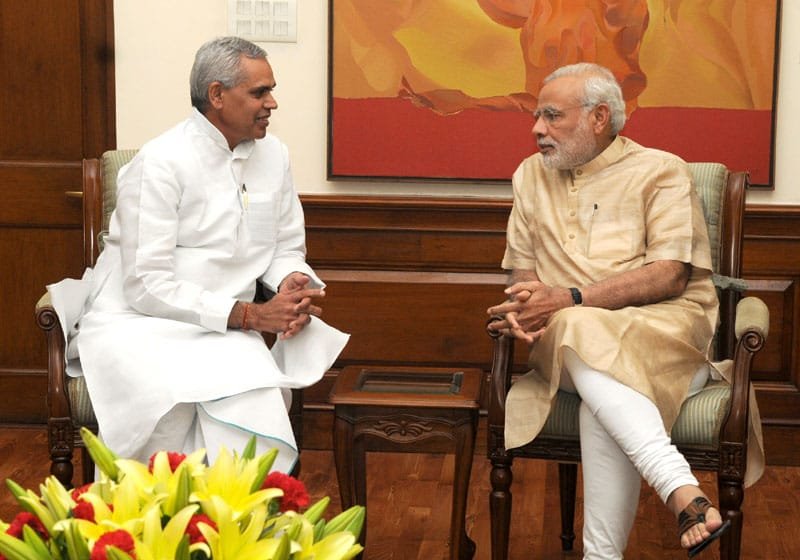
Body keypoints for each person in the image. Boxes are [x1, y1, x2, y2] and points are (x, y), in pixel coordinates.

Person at [486, 62, 752, 558]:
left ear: (599, 117)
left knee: (598, 396)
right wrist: (525, 305)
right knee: (577, 328)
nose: (536, 129)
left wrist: (569, 299)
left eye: (551, 116)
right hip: (563, 344)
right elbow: (522, 274)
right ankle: (682, 491)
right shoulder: (529, 175)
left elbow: (670, 273)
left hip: (664, 335)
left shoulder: (661, 170)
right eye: (536, 116)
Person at [51, 36, 348, 474]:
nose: (273, 103)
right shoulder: (160, 162)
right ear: (216, 95)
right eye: (259, 92)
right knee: (169, 407)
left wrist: (290, 281)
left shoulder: (275, 156)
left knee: (257, 400)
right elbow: (145, 284)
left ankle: (241, 534)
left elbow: (284, 244)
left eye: (271, 90)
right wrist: (250, 316)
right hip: (142, 324)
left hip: (225, 328)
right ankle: (151, 533)